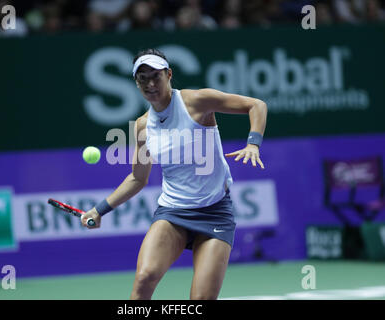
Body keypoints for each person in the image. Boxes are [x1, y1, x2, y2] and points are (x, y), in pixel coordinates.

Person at [81, 48, 267, 300]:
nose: (149, 83)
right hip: (173, 212)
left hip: (214, 212)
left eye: (155, 75)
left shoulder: (196, 101)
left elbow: (256, 105)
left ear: (169, 75)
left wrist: (253, 143)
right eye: (142, 78)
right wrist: (99, 209)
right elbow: (137, 178)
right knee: (145, 277)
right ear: (136, 84)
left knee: (201, 299)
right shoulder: (142, 126)